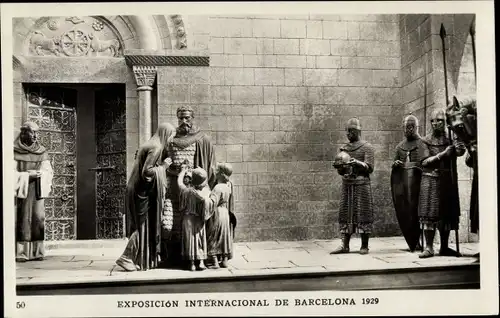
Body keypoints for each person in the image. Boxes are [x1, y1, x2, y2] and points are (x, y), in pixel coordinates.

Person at [116, 122, 176, 271]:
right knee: (143, 224)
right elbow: (147, 172)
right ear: (165, 134)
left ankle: (140, 258)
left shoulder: (150, 143)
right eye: (170, 137)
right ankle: (126, 257)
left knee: (143, 224)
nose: (170, 141)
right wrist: (164, 167)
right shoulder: (156, 147)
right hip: (140, 192)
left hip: (137, 189)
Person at [163, 106, 217, 266]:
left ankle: (198, 257)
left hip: (195, 188)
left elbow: (208, 167)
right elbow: (167, 161)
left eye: (187, 118)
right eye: (180, 118)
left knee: (195, 226)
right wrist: (176, 171)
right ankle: (179, 256)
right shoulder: (171, 140)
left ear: (192, 118)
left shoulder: (201, 139)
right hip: (175, 187)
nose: (183, 121)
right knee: (174, 221)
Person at [417, 109, 466, 259]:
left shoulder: (450, 139)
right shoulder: (425, 140)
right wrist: (442, 154)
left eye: (439, 121)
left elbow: (460, 152)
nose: (435, 123)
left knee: (447, 214)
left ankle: (444, 247)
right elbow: (424, 162)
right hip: (430, 179)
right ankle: (429, 247)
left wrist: (459, 141)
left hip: (447, 180)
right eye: (433, 121)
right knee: (429, 214)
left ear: (444, 122)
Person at [331, 118, 375, 255]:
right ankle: (344, 245)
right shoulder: (344, 148)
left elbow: (369, 168)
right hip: (347, 184)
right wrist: (340, 167)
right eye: (347, 131)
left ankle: (364, 245)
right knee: (345, 215)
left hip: (362, 185)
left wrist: (357, 163)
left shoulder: (367, 147)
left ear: (357, 131)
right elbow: (341, 171)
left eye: (351, 131)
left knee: (363, 214)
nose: (348, 134)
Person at [14, 121, 53, 262]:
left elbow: (48, 170)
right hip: (21, 192)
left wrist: (41, 174)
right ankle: (21, 253)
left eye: (37, 132)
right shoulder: (14, 150)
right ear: (24, 133)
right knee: (22, 219)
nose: (36, 136)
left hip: (37, 190)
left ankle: (37, 252)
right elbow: (9, 173)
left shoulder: (41, 151)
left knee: (38, 219)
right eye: (33, 132)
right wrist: (25, 176)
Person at [391, 114, 425, 252]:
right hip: (406, 188)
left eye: (411, 127)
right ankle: (412, 240)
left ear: (416, 127)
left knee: (422, 213)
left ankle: (422, 241)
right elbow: (394, 166)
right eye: (406, 127)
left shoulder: (423, 144)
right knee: (409, 213)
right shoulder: (400, 147)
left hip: (421, 185)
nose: (409, 130)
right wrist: (396, 164)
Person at [178, 166, 212, 271]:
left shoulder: (186, 191)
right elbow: (206, 184)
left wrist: (183, 171)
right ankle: (201, 262)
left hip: (188, 218)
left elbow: (179, 183)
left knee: (190, 240)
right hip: (199, 219)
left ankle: (192, 263)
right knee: (200, 239)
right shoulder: (205, 192)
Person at [206, 162, 235, 269]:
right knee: (224, 235)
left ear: (222, 174)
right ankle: (224, 260)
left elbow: (212, 202)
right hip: (225, 213)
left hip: (217, 213)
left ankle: (214, 262)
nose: (215, 173)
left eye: (217, 171)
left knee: (214, 235)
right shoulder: (228, 186)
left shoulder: (218, 188)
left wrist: (205, 198)